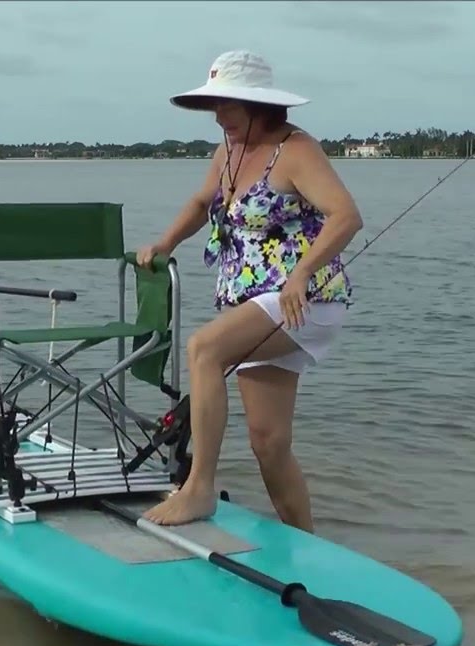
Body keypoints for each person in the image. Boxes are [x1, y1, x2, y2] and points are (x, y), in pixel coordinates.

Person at [136, 50, 364, 532]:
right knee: (268, 441)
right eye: (215, 107)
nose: (219, 117)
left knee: (204, 350)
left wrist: (301, 274)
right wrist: (166, 241)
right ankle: (307, 542)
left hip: (305, 300)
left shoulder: (297, 150)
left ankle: (198, 488)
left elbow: (346, 216)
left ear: (258, 105)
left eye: (228, 106)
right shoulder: (229, 152)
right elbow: (203, 202)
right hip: (256, 304)